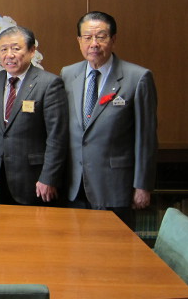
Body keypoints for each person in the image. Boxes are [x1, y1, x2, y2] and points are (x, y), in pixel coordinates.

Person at [61, 11, 157, 228]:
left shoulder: (137, 78)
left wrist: (142, 186)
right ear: (79, 41)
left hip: (115, 187)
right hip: (75, 186)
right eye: (87, 37)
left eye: (101, 37)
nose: (93, 44)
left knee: (116, 253)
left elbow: (146, 137)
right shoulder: (68, 74)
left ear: (113, 39)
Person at [0, 26, 68, 205]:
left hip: (34, 179)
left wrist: (48, 177)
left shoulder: (49, 84)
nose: (9, 55)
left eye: (16, 48)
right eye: (3, 49)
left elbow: (57, 137)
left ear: (32, 51)